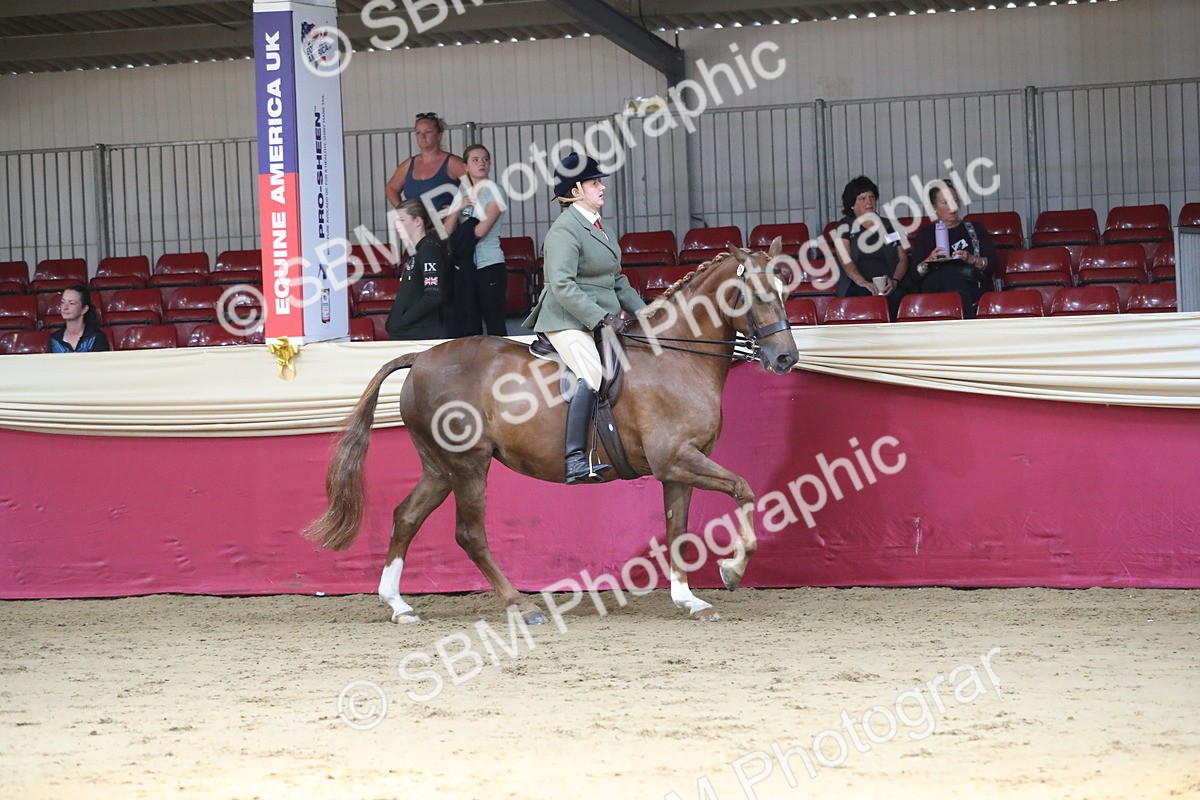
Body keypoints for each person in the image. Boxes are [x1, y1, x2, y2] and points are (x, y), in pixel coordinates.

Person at [523, 152, 646, 485]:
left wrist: (647, 315)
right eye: (594, 183)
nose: (602, 187)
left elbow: (617, 279)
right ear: (576, 191)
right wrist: (601, 317)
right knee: (591, 373)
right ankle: (575, 459)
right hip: (566, 319)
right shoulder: (564, 231)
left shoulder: (599, 227)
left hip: (597, 317)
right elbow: (562, 285)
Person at [910, 180, 999, 319]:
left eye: (955, 201)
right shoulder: (925, 235)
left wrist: (971, 259)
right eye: (945, 202)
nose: (952, 206)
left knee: (949, 273)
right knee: (946, 272)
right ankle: (965, 320)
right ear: (934, 207)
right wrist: (928, 261)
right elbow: (914, 275)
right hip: (935, 289)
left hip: (969, 284)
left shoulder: (975, 229)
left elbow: (993, 264)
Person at [443, 144, 508, 337]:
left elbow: (481, 230)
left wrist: (461, 233)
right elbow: (445, 231)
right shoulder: (462, 192)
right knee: (469, 323)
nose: (482, 163)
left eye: (485, 159)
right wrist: (456, 209)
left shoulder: (496, 191)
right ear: (465, 166)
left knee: (494, 322)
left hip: (490, 263)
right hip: (466, 268)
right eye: (475, 160)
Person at [833, 175, 910, 318]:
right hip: (858, 285)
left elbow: (903, 258)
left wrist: (894, 281)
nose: (869, 202)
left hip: (889, 284)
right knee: (861, 295)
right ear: (852, 205)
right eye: (862, 198)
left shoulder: (891, 225)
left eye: (871, 197)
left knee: (899, 296)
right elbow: (845, 259)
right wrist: (863, 283)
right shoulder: (844, 226)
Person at [385, 199, 449, 341]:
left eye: (402, 220)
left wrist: (404, 321)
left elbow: (433, 295)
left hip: (419, 336)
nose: (397, 226)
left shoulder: (429, 250)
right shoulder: (417, 252)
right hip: (407, 335)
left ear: (417, 221)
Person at [384, 112, 467, 214]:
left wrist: (460, 207)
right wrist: (402, 210)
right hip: (415, 223)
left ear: (439, 135)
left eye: (428, 132)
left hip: (444, 222)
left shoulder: (453, 163)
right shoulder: (408, 164)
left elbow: (477, 186)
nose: (422, 136)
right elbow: (391, 188)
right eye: (418, 132)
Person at [47, 285, 109, 353]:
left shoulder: (97, 337)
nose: (65, 307)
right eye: (63, 302)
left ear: (84, 309)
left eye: (71, 303)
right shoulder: (54, 339)